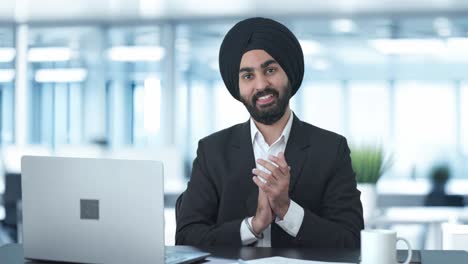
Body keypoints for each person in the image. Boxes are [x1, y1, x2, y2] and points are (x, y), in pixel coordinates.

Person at [176, 17, 363, 248]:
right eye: (248, 76)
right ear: (238, 86)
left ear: (288, 73)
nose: (261, 84)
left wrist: (286, 209)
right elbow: (186, 237)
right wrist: (253, 226)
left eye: (270, 70)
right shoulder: (212, 151)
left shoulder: (331, 149)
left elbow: (351, 240)